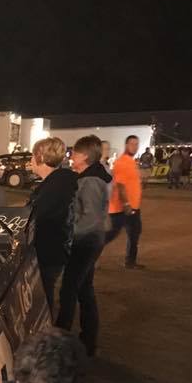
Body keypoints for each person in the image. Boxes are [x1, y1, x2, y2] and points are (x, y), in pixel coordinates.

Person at [56, 135, 111, 357]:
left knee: (69, 290)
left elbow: (90, 219)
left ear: (85, 156)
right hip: (90, 240)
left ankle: (60, 342)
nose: (72, 156)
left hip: (85, 241)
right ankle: (88, 340)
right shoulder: (92, 178)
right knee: (84, 290)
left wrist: (68, 236)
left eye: (75, 153)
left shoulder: (90, 182)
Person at [28, 136, 78, 311]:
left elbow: (40, 219)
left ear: (40, 157)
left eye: (33, 155)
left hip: (49, 251)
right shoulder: (61, 182)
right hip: (57, 249)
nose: (30, 160)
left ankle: (46, 325)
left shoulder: (53, 188)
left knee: (43, 293)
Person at [104, 134, 143, 269]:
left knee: (134, 233)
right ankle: (88, 254)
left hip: (132, 206)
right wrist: (126, 203)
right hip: (122, 207)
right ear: (126, 145)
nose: (135, 147)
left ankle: (130, 261)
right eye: (132, 144)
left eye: (136, 144)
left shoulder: (131, 162)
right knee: (110, 234)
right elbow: (120, 185)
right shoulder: (122, 162)